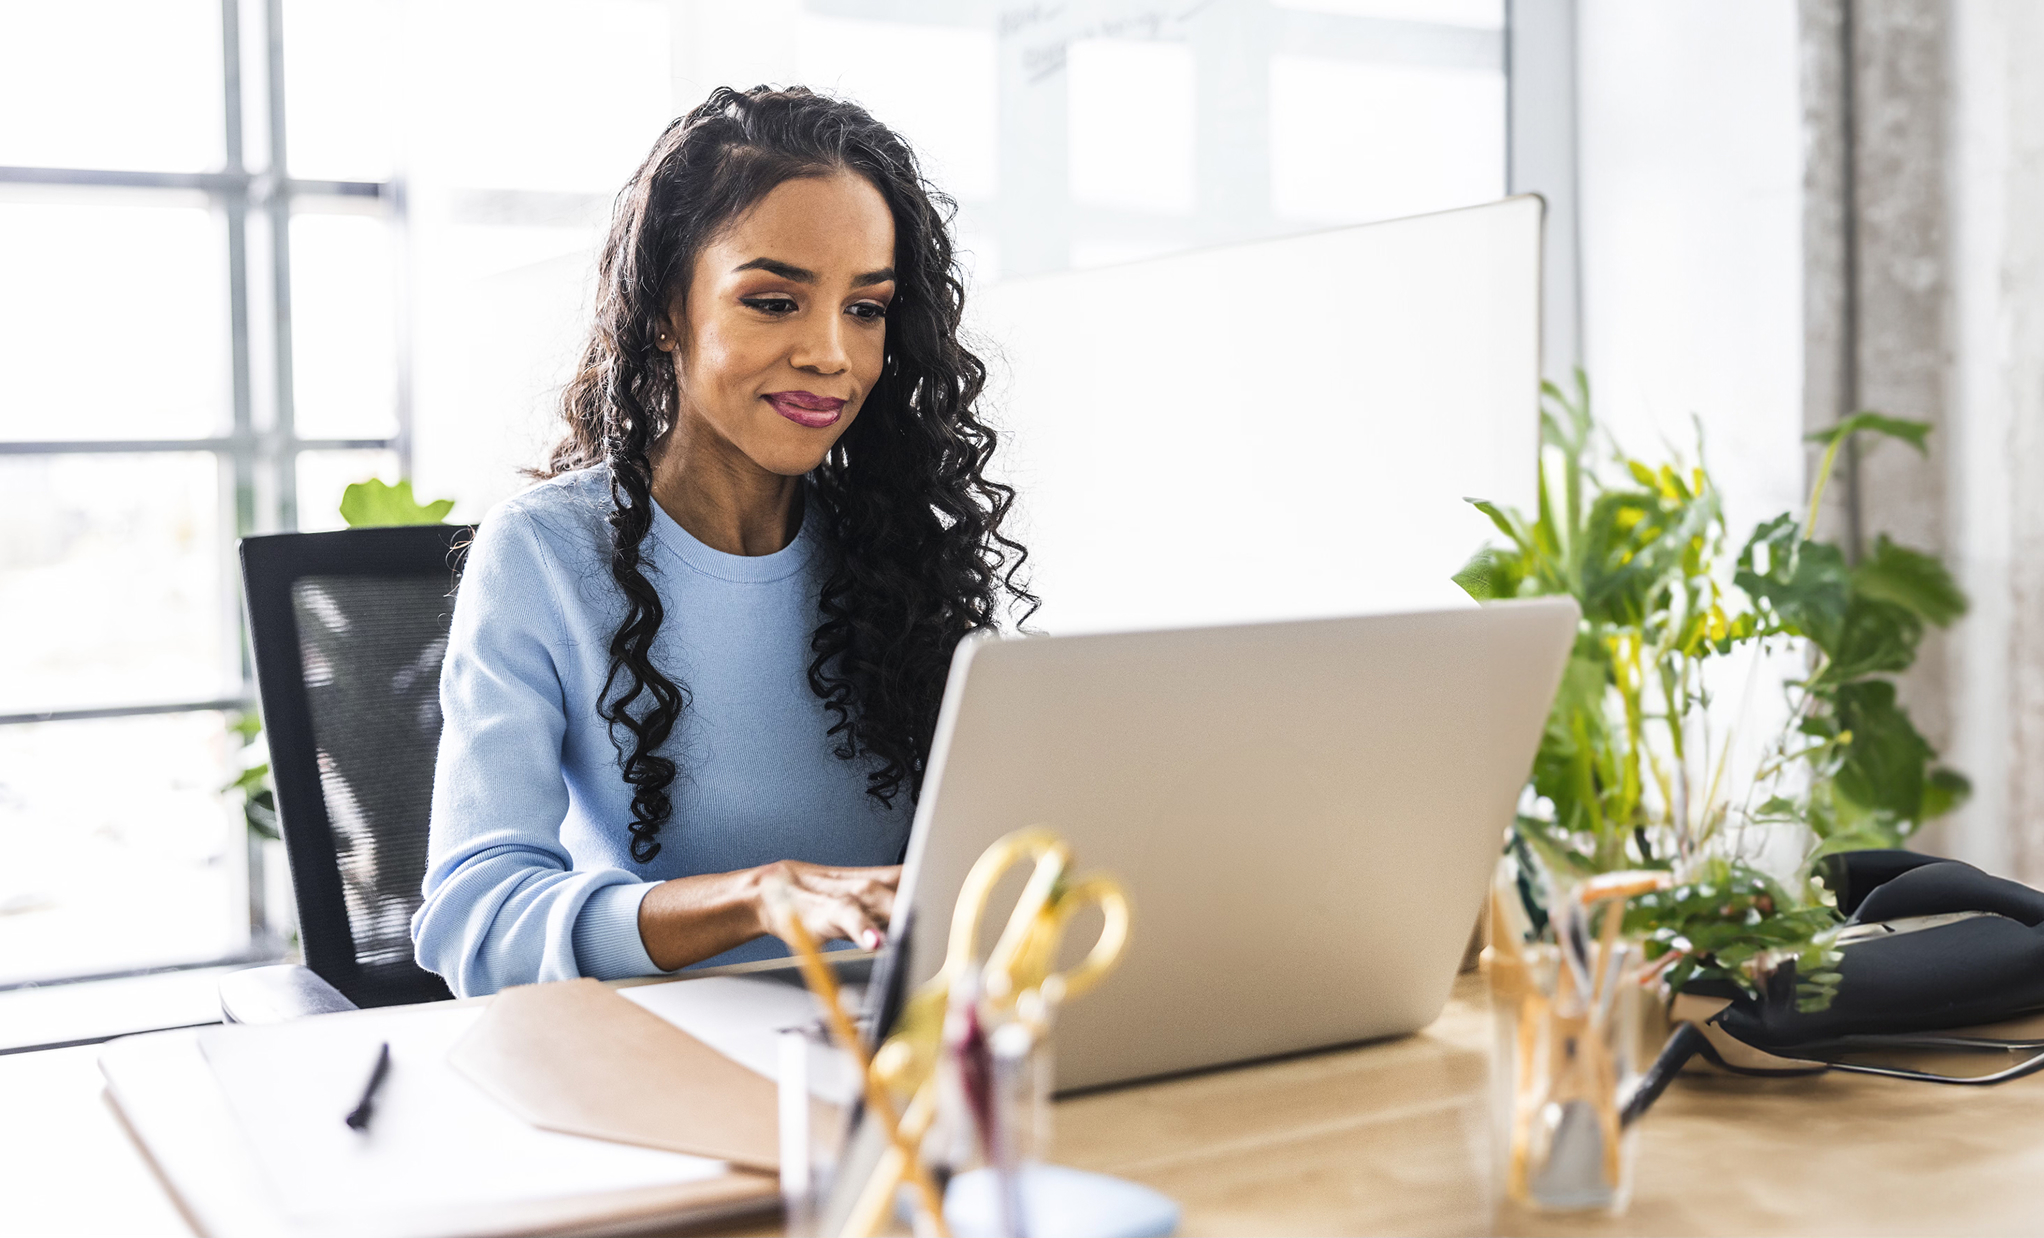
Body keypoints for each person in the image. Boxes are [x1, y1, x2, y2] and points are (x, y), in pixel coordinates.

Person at [411, 87, 1032, 997]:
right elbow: (477, 918)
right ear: (668, 308)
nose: (832, 354)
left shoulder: (894, 549)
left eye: (867, 309)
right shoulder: (542, 556)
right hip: (653, 1064)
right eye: (775, 301)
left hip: (874, 1053)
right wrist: (755, 901)